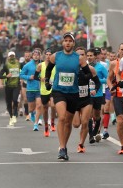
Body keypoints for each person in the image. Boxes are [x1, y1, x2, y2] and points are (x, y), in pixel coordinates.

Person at [44, 32, 92, 160]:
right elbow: (48, 69)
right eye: (65, 40)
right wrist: (47, 81)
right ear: (62, 43)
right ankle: (62, 147)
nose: (67, 43)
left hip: (73, 93)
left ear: (73, 43)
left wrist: (83, 76)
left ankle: (64, 146)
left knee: (69, 122)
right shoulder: (56, 56)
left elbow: (89, 74)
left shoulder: (79, 58)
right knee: (62, 117)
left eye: (70, 41)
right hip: (59, 91)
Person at [72, 47, 101, 153]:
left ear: (85, 56)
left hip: (86, 99)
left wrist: (95, 90)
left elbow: (97, 82)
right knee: (76, 124)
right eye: (78, 55)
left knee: (85, 122)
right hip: (74, 99)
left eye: (82, 54)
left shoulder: (90, 69)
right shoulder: (71, 68)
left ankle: (81, 144)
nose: (80, 57)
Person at [107, 43, 123, 154]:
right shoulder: (113, 64)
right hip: (118, 96)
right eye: (122, 49)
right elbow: (109, 79)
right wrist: (111, 88)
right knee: (120, 120)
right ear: (118, 50)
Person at [87, 47, 108, 143]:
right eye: (88, 56)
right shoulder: (85, 66)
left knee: (96, 116)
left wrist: (98, 80)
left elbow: (108, 79)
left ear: (95, 57)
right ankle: (91, 136)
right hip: (88, 94)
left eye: (91, 55)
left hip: (98, 94)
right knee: (89, 115)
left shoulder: (101, 67)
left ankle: (96, 130)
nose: (89, 57)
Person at [34, 48, 56, 137]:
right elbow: (35, 76)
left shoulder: (55, 65)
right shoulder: (40, 65)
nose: (48, 56)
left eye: (50, 54)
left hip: (53, 88)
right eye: (46, 54)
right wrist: (41, 79)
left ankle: (53, 122)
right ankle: (46, 126)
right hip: (44, 89)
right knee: (45, 108)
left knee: (53, 105)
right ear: (44, 56)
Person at [20, 48, 42, 131]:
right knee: (31, 109)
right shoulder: (27, 65)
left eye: (38, 55)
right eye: (34, 55)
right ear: (32, 56)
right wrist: (29, 77)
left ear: (40, 56)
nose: (36, 56)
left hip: (39, 89)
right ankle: (32, 113)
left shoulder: (42, 64)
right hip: (30, 89)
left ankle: (36, 124)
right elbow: (21, 75)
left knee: (39, 105)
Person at [0, 51, 21, 126]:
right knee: (8, 103)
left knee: (15, 99)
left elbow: (24, 71)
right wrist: (6, 76)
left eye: (13, 56)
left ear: (14, 56)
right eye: (10, 56)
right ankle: (11, 116)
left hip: (16, 86)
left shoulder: (18, 64)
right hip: (8, 86)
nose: (11, 57)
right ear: (8, 57)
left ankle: (15, 113)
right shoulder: (6, 65)